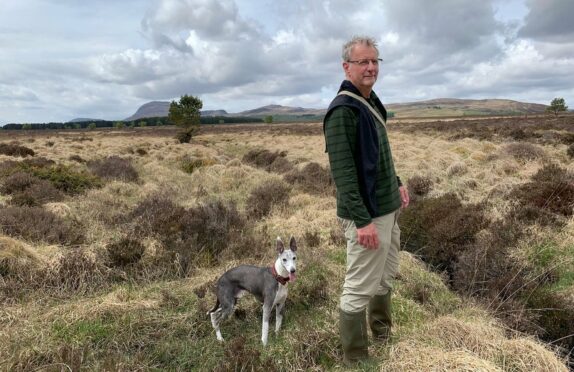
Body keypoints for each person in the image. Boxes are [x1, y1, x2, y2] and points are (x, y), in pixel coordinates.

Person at [323, 35, 409, 365]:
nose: (371, 67)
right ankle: (355, 360)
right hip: (368, 215)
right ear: (347, 67)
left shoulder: (370, 101)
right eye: (363, 62)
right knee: (359, 287)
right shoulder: (343, 111)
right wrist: (362, 221)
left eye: (375, 61)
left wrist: (397, 183)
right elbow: (344, 173)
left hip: (387, 208)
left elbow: (378, 156)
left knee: (385, 277)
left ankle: (383, 335)